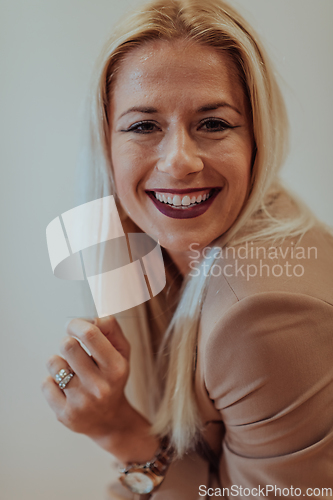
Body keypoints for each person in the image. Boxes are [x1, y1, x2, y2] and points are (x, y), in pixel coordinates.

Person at [42, 0, 333, 498]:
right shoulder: (125, 230)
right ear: (107, 143)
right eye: (143, 126)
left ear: (257, 140)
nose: (179, 162)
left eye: (213, 123)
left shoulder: (260, 318)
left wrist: (117, 430)